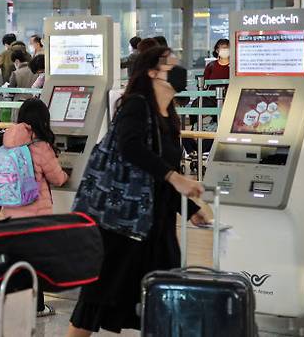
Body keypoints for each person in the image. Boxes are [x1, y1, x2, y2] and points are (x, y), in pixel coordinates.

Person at [68, 46, 211, 337]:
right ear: (152, 72)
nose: (180, 70)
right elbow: (130, 147)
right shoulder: (136, 105)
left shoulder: (169, 115)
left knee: (165, 298)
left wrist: (191, 210)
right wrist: (176, 177)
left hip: (156, 228)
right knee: (97, 299)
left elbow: (157, 176)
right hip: (124, 224)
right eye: (172, 65)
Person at [1, 98, 68, 317]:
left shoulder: (8, 144)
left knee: (16, 260)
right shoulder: (40, 147)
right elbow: (57, 178)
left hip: (9, 212)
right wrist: (67, 174)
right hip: (35, 216)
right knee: (35, 262)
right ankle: (37, 306)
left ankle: (12, 304)